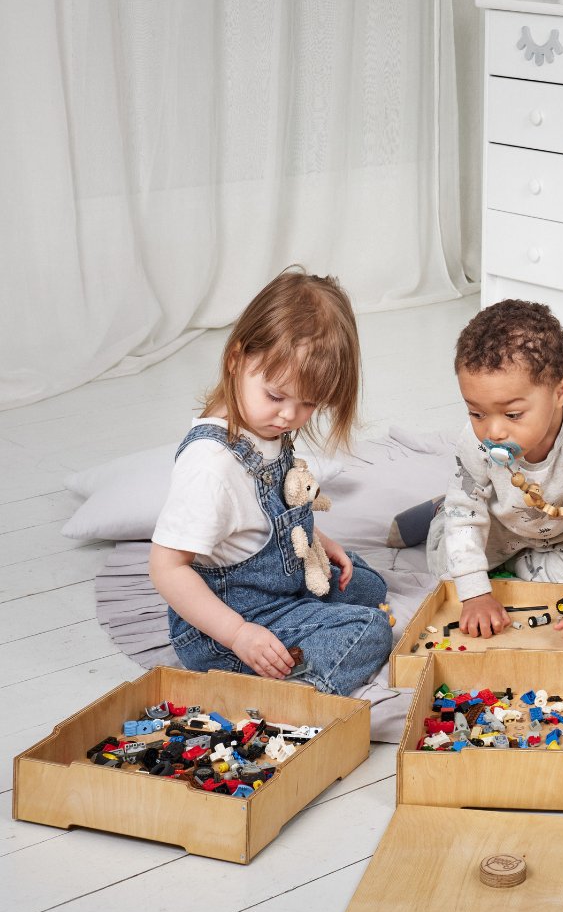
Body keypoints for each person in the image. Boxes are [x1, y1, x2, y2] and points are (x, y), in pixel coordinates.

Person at [149, 268, 393, 694]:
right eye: (277, 397)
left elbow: (270, 514)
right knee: (369, 629)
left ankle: (304, 630)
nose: (288, 417)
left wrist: (319, 541)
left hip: (280, 586)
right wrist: (239, 635)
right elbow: (167, 569)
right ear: (236, 359)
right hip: (226, 626)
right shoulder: (211, 467)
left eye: (308, 404)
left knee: (369, 585)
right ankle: (292, 693)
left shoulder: (265, 430)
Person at [402, 299, 563, 651]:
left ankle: (521, 561)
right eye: (476, 413)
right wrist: (476, 594)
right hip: (502, 525)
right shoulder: (476, 443)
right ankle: (443, 511)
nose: (493, 432)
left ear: (560, 392)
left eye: (512, 414)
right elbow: (465, 526)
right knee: (449, 570)